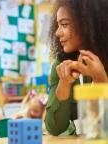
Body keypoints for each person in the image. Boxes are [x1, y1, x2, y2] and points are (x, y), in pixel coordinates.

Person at [45, 0, 108, 136]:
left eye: (64, 24)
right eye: (57, 25)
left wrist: (101, 80)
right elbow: (55, 128)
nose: (57, 33)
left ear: (88, 24)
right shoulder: (61, 66)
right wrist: (64, 84)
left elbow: (103, 128)